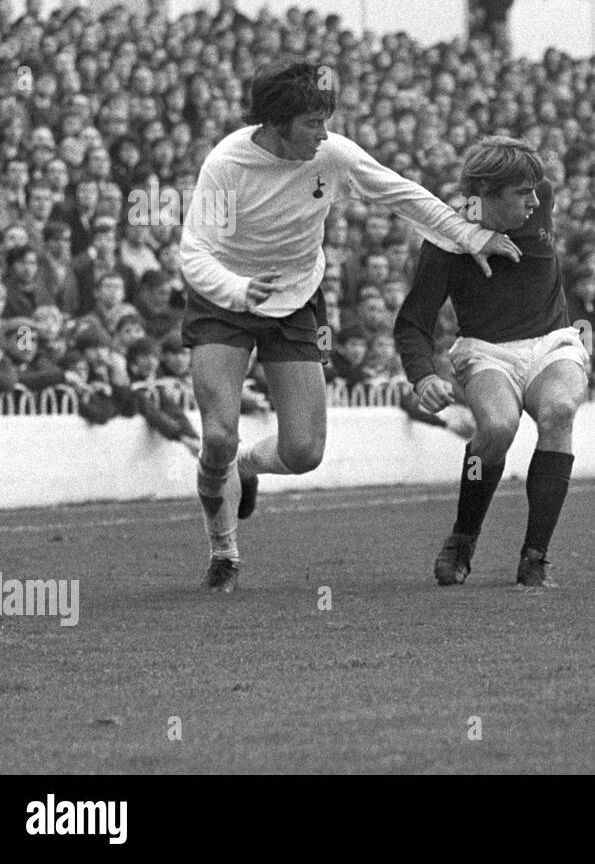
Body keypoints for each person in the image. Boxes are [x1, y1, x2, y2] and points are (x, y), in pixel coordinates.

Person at [180, 58, 521, 594]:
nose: (324, 132)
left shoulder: (331, 155)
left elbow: (402, 194)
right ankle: (224, 551)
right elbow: (194, 252)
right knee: (218, 434)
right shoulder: (227, 163)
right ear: (274, 122)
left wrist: (470, 236)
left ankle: (246, 468)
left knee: (304, 453)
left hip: (293, 300)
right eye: (312, 123)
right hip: (224, 298)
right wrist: (237, 290)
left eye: (325, 120)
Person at [395, 136, 589, 588]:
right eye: (522, 193)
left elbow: (522, 174)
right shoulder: (443, 242)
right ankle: (464, 537)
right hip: (486, 350)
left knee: (559, 410)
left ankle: (535, 558)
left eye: (535, 190)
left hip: (551, 341)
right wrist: (423, 376)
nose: (536, 201)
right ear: (487, 193)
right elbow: (412, 323)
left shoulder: (539, 205)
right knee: (498, 426)